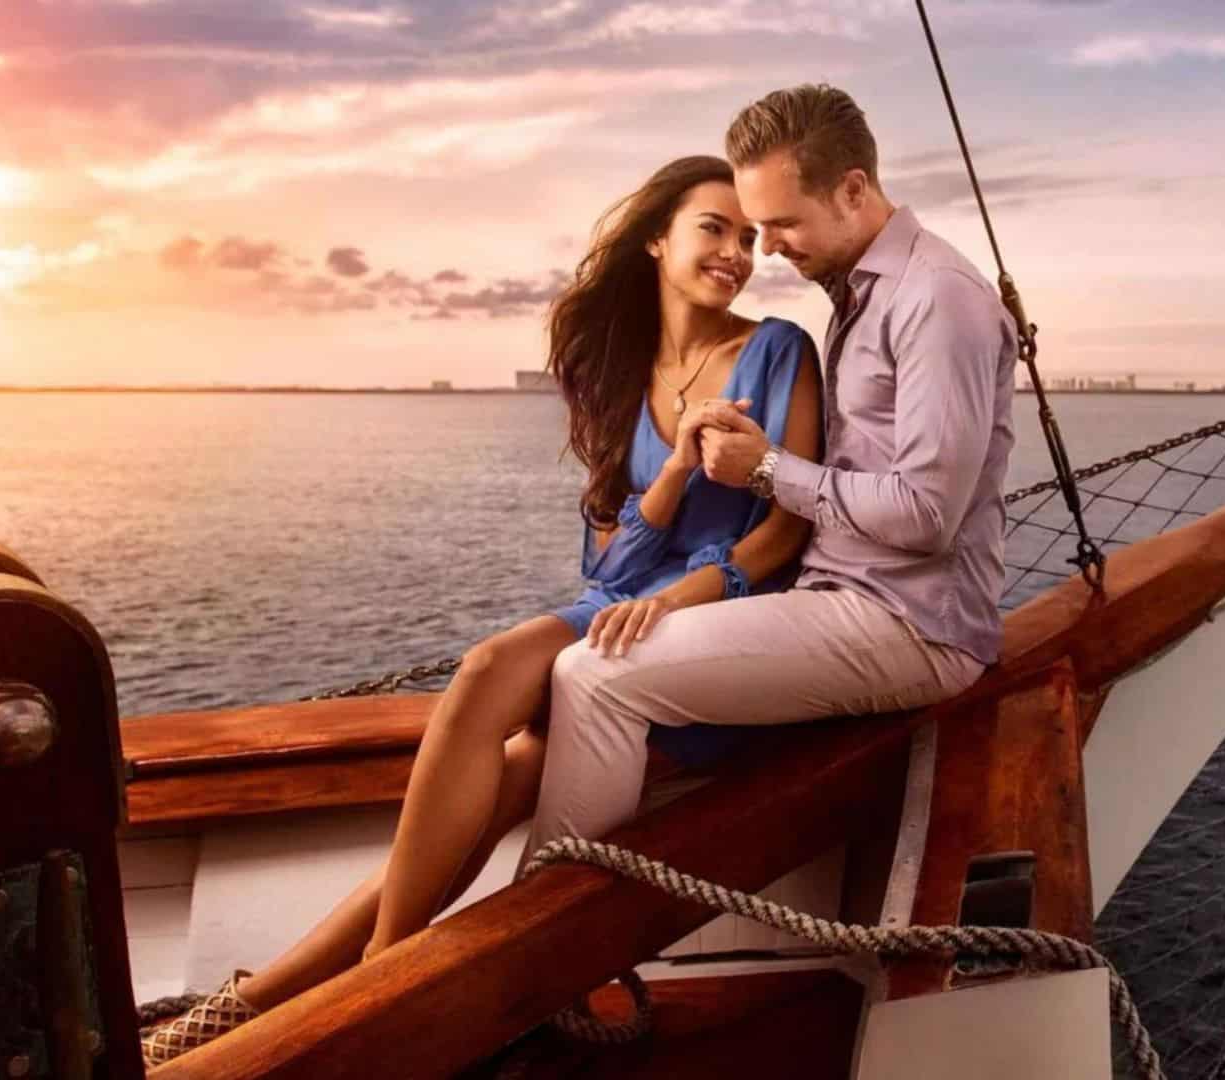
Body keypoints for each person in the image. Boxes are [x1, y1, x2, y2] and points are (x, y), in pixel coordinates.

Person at [141, 155, 824, 1064]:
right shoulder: (622, 373)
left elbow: (781, 535)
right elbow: (610, 563)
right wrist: (665, 477)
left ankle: (373, 982)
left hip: (713, 629)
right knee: (486, 792)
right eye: (714, 228)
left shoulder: (777, 348)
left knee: (487, 668)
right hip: (619, 621)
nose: (736, 252)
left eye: (747, 237)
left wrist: (678, 600)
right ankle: (250, 1009)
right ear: (658, 238)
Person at [522, 84, 1018, 862]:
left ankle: (533, 951)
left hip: (910, 625)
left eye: (782, 224)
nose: (772, 249)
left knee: (595, 675)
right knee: (581, 671)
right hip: (838, 597)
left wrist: (768, 470)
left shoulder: (935, 299)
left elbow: (926, 517)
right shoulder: (863, 293)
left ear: (853, 189)